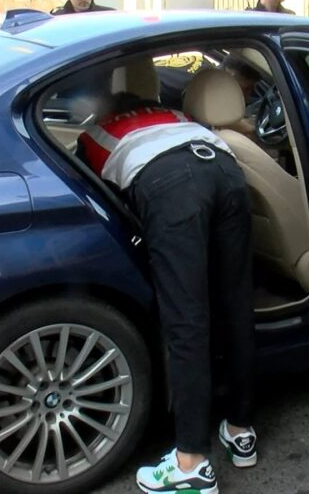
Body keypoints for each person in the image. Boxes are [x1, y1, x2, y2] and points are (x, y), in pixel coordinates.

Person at [76, 79, 257, 494]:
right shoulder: (180, 116)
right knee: (235, 306)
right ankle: (240, 430)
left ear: (108, 110)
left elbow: (95, 199)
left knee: (187, 321)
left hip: (169, 187)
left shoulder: (95, 134)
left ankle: (191, 462)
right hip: (227, 173)